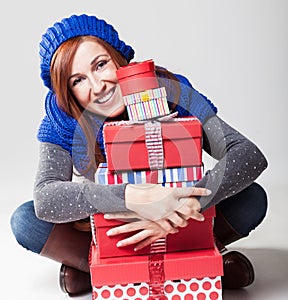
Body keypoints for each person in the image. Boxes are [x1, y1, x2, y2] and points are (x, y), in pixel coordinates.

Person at [10, 14, 268, 296]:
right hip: (114, 229)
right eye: (78, 80)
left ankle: (196, 259)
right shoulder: (62, 118)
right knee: (26, 220)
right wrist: (131, 198)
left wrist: (187, 202)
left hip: (182, 219)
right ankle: (104, 267)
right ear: (67, 91)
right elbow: (47, 198)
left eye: (101, 65)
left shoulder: (169, 90)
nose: (98, 87)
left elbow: (247, 154)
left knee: (251, 198)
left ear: (119, 58)